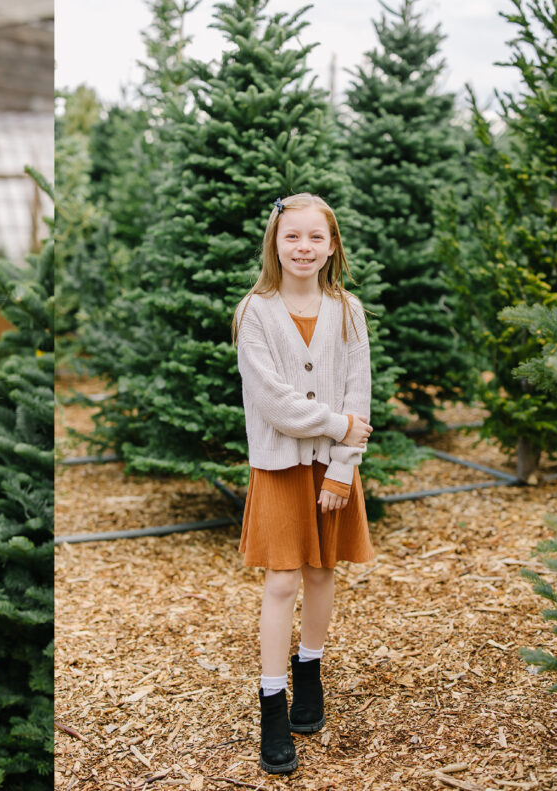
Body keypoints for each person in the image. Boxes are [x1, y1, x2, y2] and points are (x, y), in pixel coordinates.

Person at [232, 193, 374, 774]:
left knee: (322, 571)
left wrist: (343, 467)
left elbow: (358, 389)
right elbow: (274, 402)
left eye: (316, 238)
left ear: (332, 245)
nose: (304, 248)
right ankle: (272, 700)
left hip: (334, 466)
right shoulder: (255, 312)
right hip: (280, 466)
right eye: (293, 237)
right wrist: (340, 424)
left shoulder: (348, 310)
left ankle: (308, 669)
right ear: (275, 243)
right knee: (283, 581)